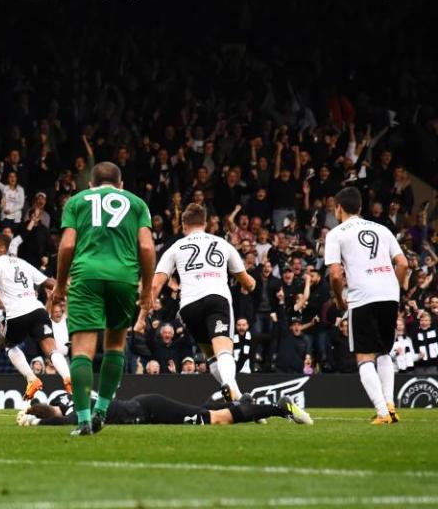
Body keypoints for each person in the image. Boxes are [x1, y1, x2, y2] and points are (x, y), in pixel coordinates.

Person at [52, 161, 155, 436]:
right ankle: (102, 412)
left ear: (91, 185)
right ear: (121, 185)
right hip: (124, 277)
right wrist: (146, 288)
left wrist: (60, 286)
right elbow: (146, 246)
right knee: (115, 347)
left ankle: (83, 419)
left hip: (86, 276)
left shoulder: (77, 201)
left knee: (82, 350)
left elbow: (68, 245)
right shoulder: (136, 203)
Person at [142, 204, 256, 401]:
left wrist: (143, 315)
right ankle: (230, 385)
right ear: (204, 224)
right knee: (224, 350)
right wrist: (252, 284)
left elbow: (155, 285)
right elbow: (246, 281)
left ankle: (238, 400)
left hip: (189, 307)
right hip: (216, 299)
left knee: (211, 355)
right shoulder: (222, 244)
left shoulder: (175, 247)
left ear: (184, 226)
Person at [325, 187, 408, 424]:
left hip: (363, 296)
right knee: (383, 351)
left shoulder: (337, 234)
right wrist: (397, 288)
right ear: (360, 208)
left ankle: (382, 412)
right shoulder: (382, 229)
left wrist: (340, 299)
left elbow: (335, 274)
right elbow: (402, 263)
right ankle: (390, 406)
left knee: (364, 356)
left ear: (339, 208)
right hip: (389, 294)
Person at [0, 234, 71, 398]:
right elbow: (50, 283)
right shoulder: (23, 263)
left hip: (17, 314)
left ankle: (32, 379)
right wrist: (70, 289)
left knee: (9, 345)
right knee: (51, 349)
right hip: (37, 310)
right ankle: (67, 377)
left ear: (2, 248)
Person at [16, 391, 312, 427]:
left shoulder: (73, 409)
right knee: (201, 409)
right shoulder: (68, 401)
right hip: (147, 410)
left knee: (217, 421)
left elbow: (67, 421)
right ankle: (244, 404)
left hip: (150, 410)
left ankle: (279, 408)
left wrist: (36, 424)